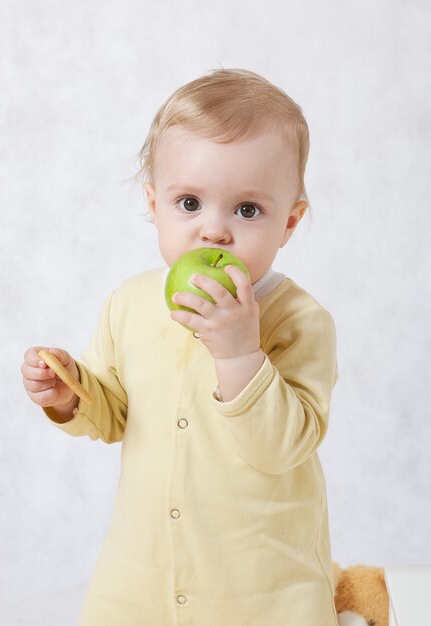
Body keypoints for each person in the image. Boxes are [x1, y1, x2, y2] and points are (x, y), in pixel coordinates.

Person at [21, 68, 339, 626]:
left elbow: (284, 447)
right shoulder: (130, 302)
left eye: (247, 210)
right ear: (154, 203)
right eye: (189, 202)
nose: (214, 231)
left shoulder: (300, 321)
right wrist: (69, 394)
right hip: (139, 582)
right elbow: (116, 412)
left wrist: (240, 352)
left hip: (262, 593)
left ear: (289, 222)